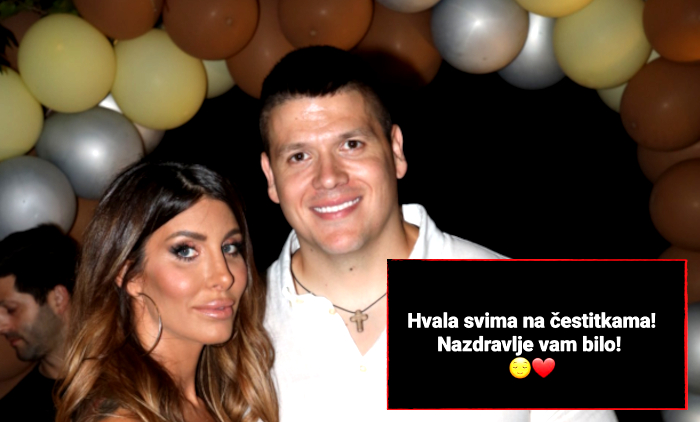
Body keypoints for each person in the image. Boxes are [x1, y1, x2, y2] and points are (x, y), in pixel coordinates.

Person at [259, 46, 617, 421]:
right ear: (270, 176)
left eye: (351, 145)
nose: (329, 177)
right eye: (299, 156)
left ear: (396, 150)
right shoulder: (238, 327)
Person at [55, 161, 278, 422]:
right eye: (186, 251)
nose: (224, 276)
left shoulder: (217, 400)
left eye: (230, 248)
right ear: (129, 275)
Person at [0, 224, 78, 421]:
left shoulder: (132, 374)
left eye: (11, 309)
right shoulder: (15, 411)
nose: (1, 327)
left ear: (58, 298)